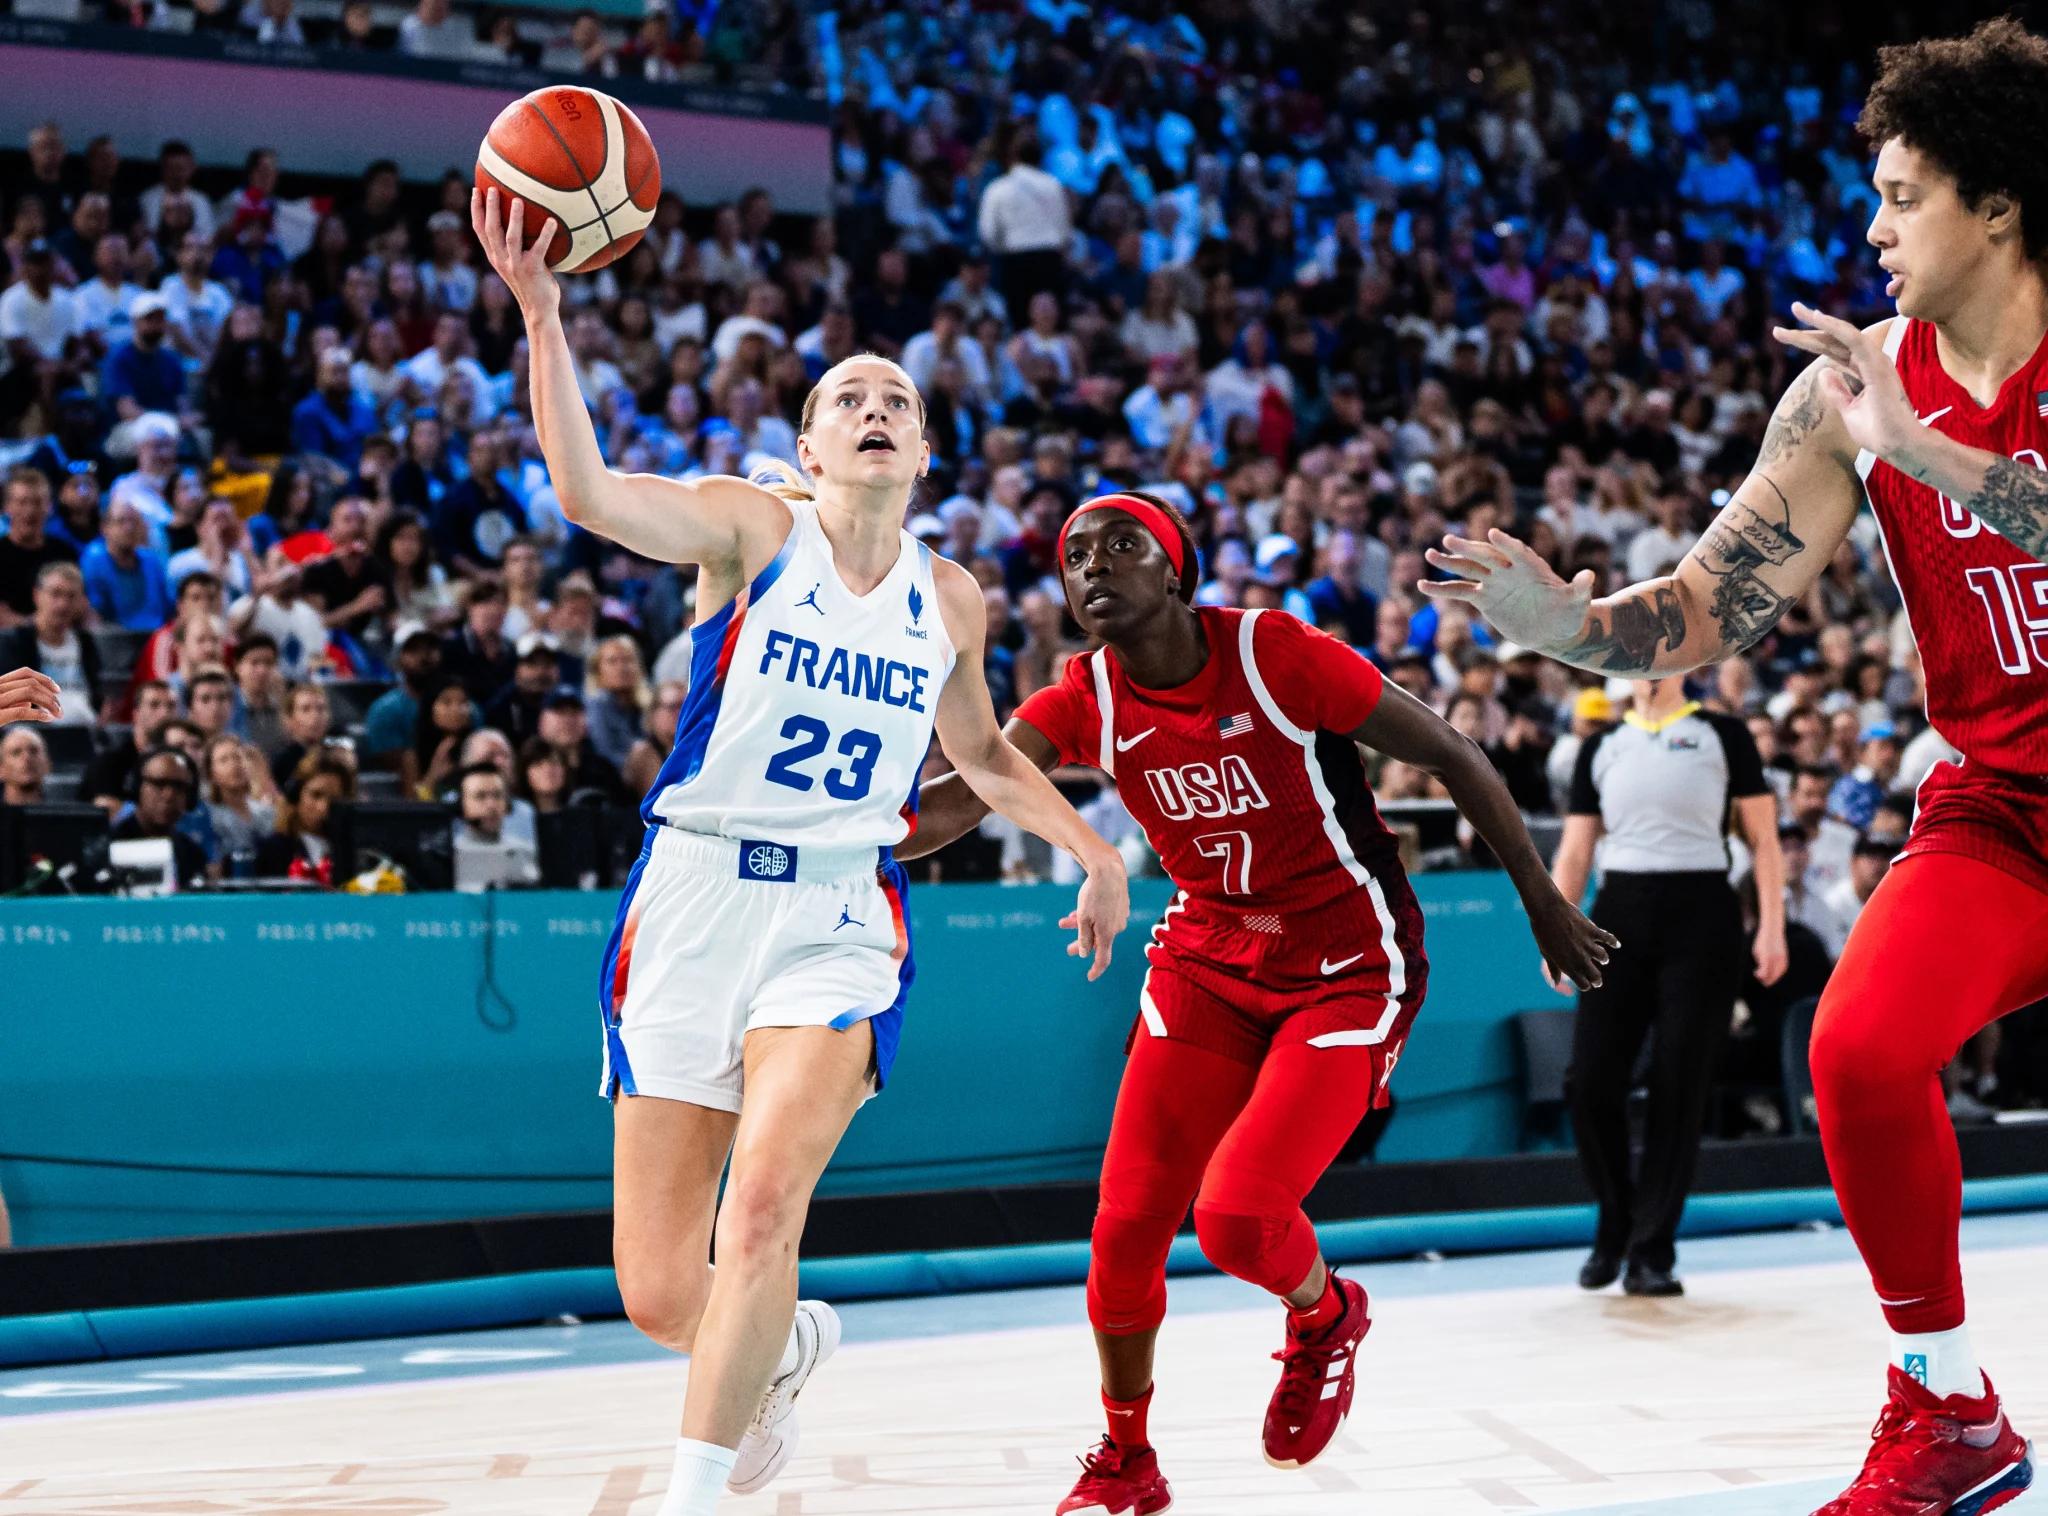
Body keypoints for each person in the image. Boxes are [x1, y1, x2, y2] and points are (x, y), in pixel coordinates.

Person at [1419, 21, 2048, 1509]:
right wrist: (1567, 624)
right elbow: (1711, 602)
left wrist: (1931, 452)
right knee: (1858, 1052)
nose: (1874, 228)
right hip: (2006, 810)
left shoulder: (1904, 413)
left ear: (2001, 204)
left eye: (1902, 196)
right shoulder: (1850, 394)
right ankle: (1949, 1407)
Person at [473, 185, 1129, 1516]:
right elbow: (588, 495)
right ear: (810, 445)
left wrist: (1094, 848)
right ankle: (789, 1343)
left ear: (927, 451)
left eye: (897, 397)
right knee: (665, 1291)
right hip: (693, 896)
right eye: (848, 397)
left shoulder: (953, 594)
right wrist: (544, 316)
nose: (876, 406)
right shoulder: (752, 531)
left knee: (762, 1208)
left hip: (839, 913)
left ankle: (692, 1497)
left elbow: (989, 757)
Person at [897, 492, 1614, 1514]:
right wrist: (837, 830)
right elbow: (967, 791)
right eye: (1074, 557)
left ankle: (1323, 1315)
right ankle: (1125, 1461)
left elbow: (1453, 754)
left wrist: (1539, 897)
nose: (1093, 566)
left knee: (1234, 1217)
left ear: (1176, 571)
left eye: (1120, 545)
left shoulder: (1277, 654)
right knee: (1123, 1231)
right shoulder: (1083, 695)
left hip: (1346, 959)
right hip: (1206, 954)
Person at [1547, 674, 1787, 1297]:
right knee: (1589, 1081)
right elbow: (1574, 852)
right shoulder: (1599, 748)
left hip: (1702, 912)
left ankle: (1652, 1249)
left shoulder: (1722, 734)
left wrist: (1771, 928)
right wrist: (1556, 929)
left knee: (1681, 1081)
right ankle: (1617, 1216)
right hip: (1620, 910)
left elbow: (1764, 840)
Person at [110, 745, 209, 889]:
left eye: (179, 787)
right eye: (159, 784)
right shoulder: (109, 846)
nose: (169, 795)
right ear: (136, 787)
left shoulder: (192, 854)